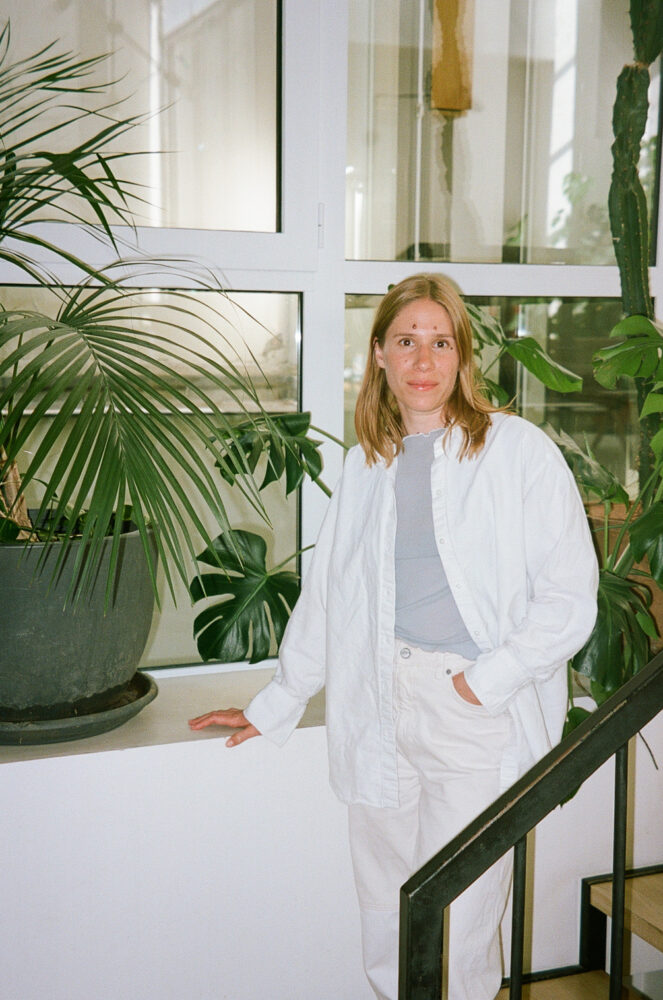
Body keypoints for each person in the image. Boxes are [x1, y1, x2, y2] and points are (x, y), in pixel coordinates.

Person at [189, 273, 599, 1000]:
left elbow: (568, 598)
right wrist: (273, 705)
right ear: (378, 352)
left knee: (461, 921)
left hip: (468, 712)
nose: (423, 360)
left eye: (440, 342)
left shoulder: (516, 451)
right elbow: (328, 597)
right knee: (385, 909)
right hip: (376, 705)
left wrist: (484, 683)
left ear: (462, 355)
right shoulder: (367, 465)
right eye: (406, 341)